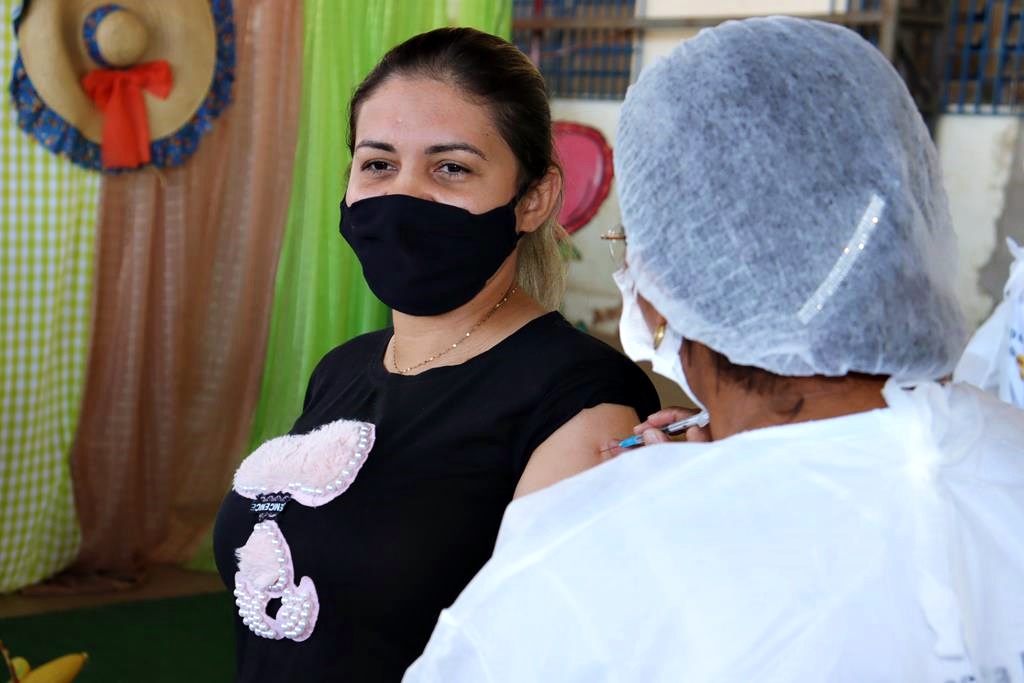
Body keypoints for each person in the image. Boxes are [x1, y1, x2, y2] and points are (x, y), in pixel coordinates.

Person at [405, 17, 1024, 682]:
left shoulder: (588, 562)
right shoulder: (1000, 456)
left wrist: (683, 493)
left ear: (673, 276)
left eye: (631, 248)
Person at [211, 27, 659, 682]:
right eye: (377, 164)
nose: (403, 195)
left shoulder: (582, 404)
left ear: (532, 198)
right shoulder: (343, 369)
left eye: (451, 167)